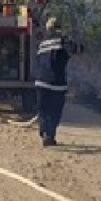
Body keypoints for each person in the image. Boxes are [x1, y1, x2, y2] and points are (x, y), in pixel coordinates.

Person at [34, 17, 71, 147]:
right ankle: (49, 135)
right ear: (59, 28)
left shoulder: (42, 43)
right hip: (57, 84)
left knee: (43, 109)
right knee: (55, 111)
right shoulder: (63, 41)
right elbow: (76, 49)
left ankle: (44, 132)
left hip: (41, 82)